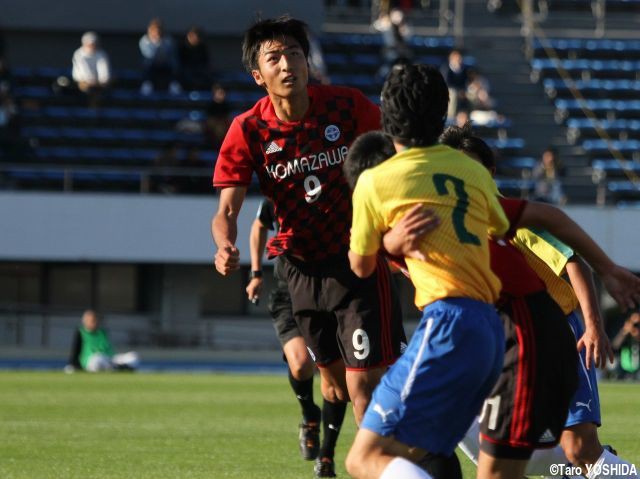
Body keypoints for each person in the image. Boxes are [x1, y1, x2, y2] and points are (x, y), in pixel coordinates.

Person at [211, 16, 406, 478]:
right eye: (273, 58)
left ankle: (385, 467)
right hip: (298, 273)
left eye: (294, 53)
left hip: (355, 262)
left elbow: (399, 149)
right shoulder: (247, 130)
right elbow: (227, 210)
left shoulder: (345, 105)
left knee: (364, 386)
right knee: (333, 386)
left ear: (307, 60)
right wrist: (225, 245)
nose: (287, 65)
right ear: (258, 74)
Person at [438, 125, 640, 479]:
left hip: (561, 334)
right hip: (505, 343)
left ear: (489, 174)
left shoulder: (512, 218)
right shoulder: (448, 229)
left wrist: (593, 326)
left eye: (469, 168)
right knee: (496, 450)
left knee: (580, 450)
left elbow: (572, 262)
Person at [345, 63, 509, 479]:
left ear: (385, 115)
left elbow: (361, 266)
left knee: (362, 458)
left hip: (446, 324)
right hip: (491, 331)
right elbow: (499, 227)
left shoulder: (375, 182)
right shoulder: (472, 171)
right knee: (423, 452)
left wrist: (388, 243)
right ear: (442, 115)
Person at [246, 199, 347, 476]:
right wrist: (256, 273)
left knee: (334, 378)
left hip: (331, 291)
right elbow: (259, 225)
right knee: (301, 364)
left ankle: (327, 454)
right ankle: (309, 413)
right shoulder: (281, 188)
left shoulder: (335, 189)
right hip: (288, 294)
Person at [65, 310, 139, 373]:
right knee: (98, 358)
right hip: (91, 361)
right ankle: (117, 368)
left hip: (109, 359)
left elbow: (109, 350)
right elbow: (75, 352)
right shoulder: (81, 332)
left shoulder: (103, 332)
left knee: (133, 356)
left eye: (96, 320)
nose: (95, 323)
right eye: (92, 321)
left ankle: (116, 367)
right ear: (85, 321)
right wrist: (73, 365)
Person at [139, 18, 180, 95]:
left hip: (165, 65)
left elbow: (171, 56)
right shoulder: (144, 41)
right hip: (151, 66)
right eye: (154, 31)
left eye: (159, 31)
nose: (157, 33)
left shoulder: (168, 41)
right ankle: (147, 85)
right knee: (147, 67)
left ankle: (174, 85)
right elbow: (149, 56)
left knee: (174, 66)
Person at [71, 31, 111, 105]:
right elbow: (83, 71)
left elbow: (104, 72)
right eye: (89, 44)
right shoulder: (78, 54)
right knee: (89, 90)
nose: (92, 46)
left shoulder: (101, 54)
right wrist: (90, 81)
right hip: (82, 82)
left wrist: (102, 81)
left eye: (93, 44)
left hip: (97, 84)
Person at [611, 312, 640, 380]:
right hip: (624, 367)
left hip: (638, 369)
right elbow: (615, 347)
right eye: (634, 325)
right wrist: (624, 332)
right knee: (614, 364)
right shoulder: (626, 336)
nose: (635, 327)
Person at [442, 49, 470, 119]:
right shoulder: (446, 69)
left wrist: (463, 91)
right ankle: (451, 116)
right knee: (453, 94)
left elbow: (465, 83)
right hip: (450, 91)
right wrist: (458, 91)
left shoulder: (464, 70)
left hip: (461, 91)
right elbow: (446, 84)